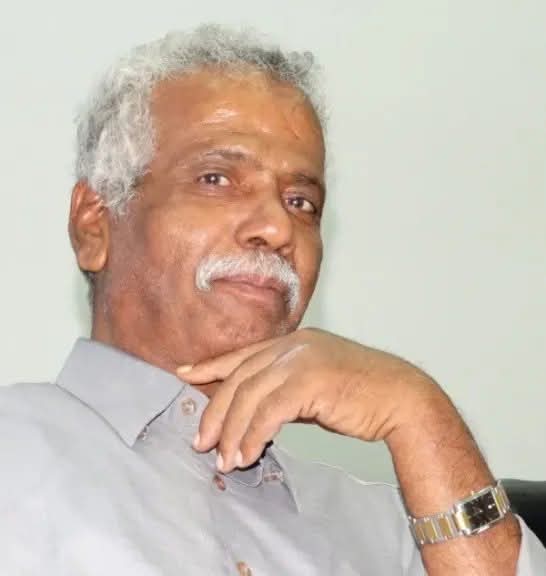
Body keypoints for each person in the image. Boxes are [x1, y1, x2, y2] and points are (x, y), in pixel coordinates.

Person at [0, 25, 544, 575]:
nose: (277, 227)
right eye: (216, 178)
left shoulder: (400, 528)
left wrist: (418, 410)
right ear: (94, 225)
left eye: (301, 201)